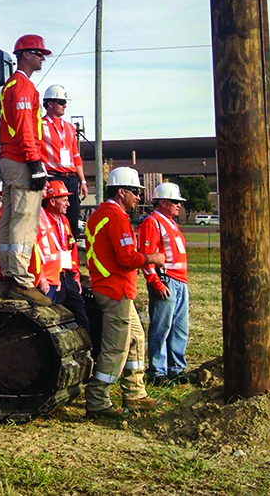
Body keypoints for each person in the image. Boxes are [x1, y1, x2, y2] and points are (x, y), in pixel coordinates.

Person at [83, 167, 165, 419]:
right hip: (115, 290)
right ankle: (97, 399)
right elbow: (127, 258)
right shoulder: (116, 217)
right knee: (116, 348)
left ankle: (135, 392)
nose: (139, 198)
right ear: (121, 192)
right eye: (136, 192)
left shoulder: (100, 215)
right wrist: (153, 257)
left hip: (113, 288)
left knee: (136, 339)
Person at [0, 34, 52, 305]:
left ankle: (7, 275)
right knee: (25, 219)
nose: (42, 58)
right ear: (25, 54)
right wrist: (35, 162)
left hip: (9, 158)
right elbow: (26, 127)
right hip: (21, 159)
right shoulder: (24, 88)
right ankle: (22, 280)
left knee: (11, 216)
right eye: (39, 53)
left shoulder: (10, 86)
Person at [140, 181, 190, 385]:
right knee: (162, 327)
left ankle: (175, 368)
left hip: (179, 281)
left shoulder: (170, 222)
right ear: (162, 202)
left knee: (179, 327)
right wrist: (155, 282)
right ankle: (157, 371)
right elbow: (147, 256)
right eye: (174, 201)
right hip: (166, 279)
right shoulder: (153, 222)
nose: (179, 205)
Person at [42, 179, 91, 343]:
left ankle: (85, 349)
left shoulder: (64, 221)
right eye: (64, 200)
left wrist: (76, 276)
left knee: (81, 316)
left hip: (68, 276)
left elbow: (72, 250)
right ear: (52, 200)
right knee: (53, 319)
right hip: (53, 279)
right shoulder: (43, 221)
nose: (68, 204)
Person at [40, 84, 88, 240]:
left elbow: (75, 155)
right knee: (51, 215)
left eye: (65, 102)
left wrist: (83, 181)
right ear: (50, 103)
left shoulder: (69, 128)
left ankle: (70, 250)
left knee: (73, 216)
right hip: (53, 177)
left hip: (71, 177)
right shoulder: (40, 125)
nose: (65, 105)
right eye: (61, 102)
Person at [29, 180, 70, 300]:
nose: (47, 184)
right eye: (64, 200)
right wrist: (41, 278)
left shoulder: (41, 213)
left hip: (52, 279)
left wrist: (56, 277)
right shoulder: (34, 215)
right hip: (44, 280)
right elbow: (33, 248)